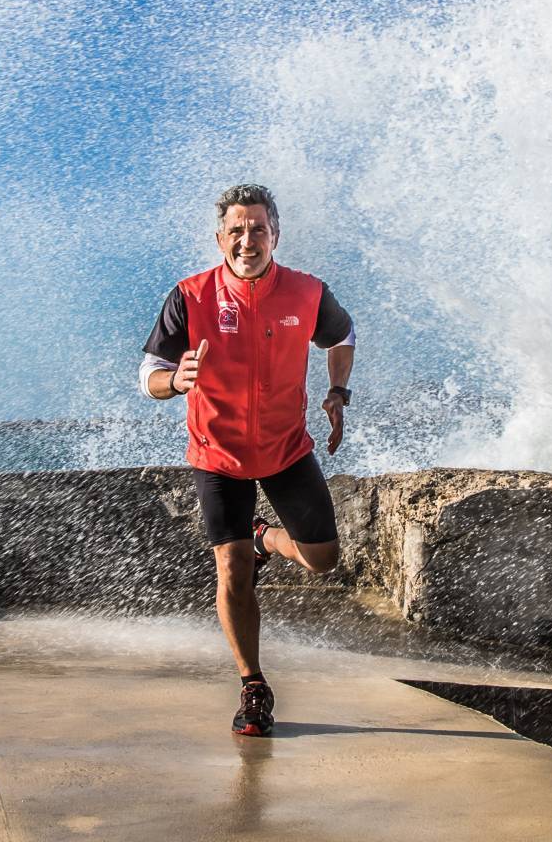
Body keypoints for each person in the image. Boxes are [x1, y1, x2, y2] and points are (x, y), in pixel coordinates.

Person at [140, 183, 355, 737]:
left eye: (258, 228)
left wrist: (337, 392)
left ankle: (266, 540)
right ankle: (253, 685)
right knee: (231, 568)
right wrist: (174, 380)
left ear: (275, 235)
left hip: (286, 449)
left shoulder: (308, 293)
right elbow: (148, 373)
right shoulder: (190, 296)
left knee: (324, 560)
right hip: (217, 454)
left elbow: (343, 333)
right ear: (220, 239)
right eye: (236, 229)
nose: (247, 239)